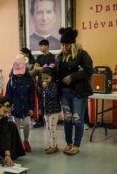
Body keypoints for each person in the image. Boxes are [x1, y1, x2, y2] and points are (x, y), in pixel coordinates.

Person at [56, 27, 93, 155]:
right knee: (67, 118)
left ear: (73, 44)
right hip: (64, 93)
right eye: (63, 44)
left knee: (77, 118)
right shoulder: (60, 57)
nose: (64, 47)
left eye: (67, 44)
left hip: (78, 92)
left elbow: (89, 71)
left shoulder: (82, 54)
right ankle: (68, 144)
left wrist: (72, 77)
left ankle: (76, 145)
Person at [5, 57, 35, 152]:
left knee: (26, 124)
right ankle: (17, 144)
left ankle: (26, 141)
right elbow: (7, 96)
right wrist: (7, 109)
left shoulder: (30, 81)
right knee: (16, 127)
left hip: (26, 107)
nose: (19, 74)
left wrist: (32, 108)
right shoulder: (11, 81)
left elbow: (32, 96)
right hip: (15, 108)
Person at [33, 39, 56, 128]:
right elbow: (35, 68)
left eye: (42, 46)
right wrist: (45, 68)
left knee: (49, 100)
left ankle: (49, 120)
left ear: (47, 46)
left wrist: (42, 68)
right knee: (40, 101)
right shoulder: (39, 57)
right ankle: (40, 120)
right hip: (40, 82)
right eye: (40, 46)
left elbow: (51, 69)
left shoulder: (52, 57)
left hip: (49, 83)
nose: (40, 48)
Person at [41, 64, 61, 154]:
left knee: (53, 129)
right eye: (43, 78)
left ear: (52, 77)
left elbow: (52, 95)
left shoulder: (53, 85)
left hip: (54, 110)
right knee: (48, 128)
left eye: (47, 78)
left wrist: (45, 88)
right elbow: (42, 97)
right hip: (47, 110)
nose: (44, 80)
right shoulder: (44, 85)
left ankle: (54, 146)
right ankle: (53, 144)